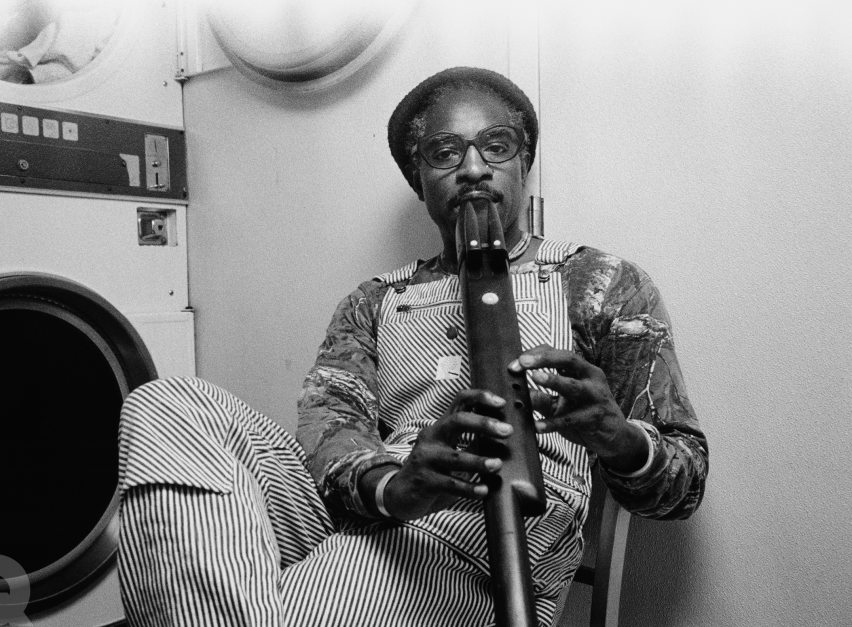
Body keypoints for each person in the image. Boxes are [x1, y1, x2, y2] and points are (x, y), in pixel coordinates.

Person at [117, 67, 709, 627]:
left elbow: (683, 487)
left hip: (492, 540)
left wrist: (618, 436)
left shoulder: (600, 281)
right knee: (166, 405)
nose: (474, 169)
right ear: (417, 178)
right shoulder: (372, 300)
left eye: (496, 146)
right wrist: (394, 486)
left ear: (523, 162)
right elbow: (330, 431)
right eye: (446, 153)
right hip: (368, 510)